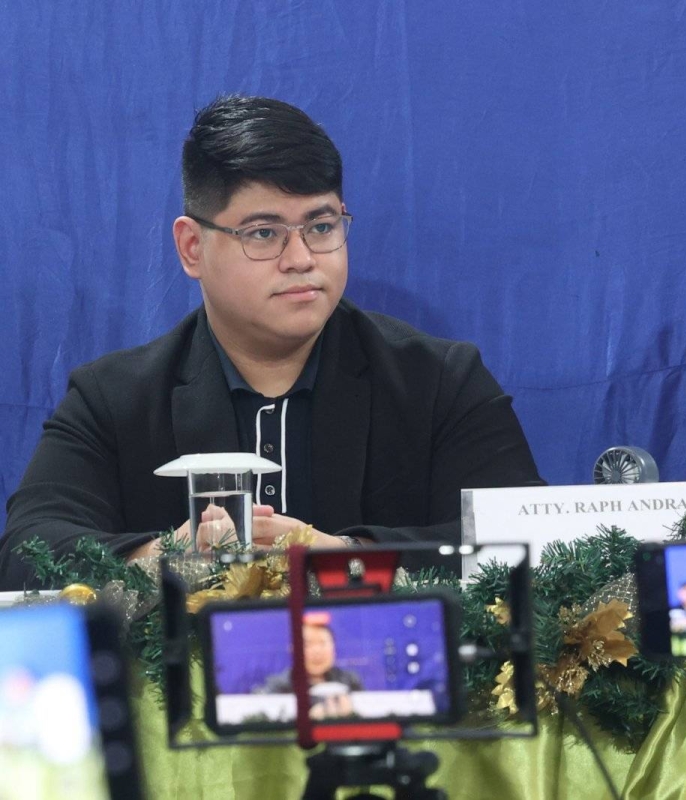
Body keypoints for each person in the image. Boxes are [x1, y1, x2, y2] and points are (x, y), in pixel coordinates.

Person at [0, 96, 542, 588]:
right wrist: (166, 557)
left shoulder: (439, 380)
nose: (302, 258)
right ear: (192, 248)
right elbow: (29, 547)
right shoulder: (113, 399)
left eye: (322, 226)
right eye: (263, 233)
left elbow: (530, 543)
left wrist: (346, 560)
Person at [257, 613, 362, 719]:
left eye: (322, 643)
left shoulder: (350, 681)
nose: (317, 651)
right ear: (293, 650)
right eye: (308, 645)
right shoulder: (278, 686)